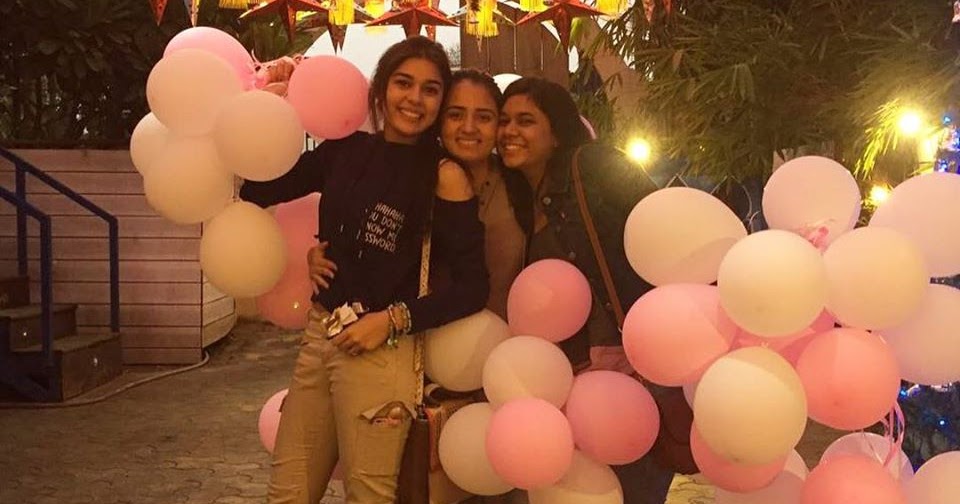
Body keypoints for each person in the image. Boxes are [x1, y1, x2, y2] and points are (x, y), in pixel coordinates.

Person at [241, 36, 489, 504]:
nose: (414, 99)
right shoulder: (344, 150)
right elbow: (257, 189)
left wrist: (392, 320)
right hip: (320, 335)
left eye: (430, 89)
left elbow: (473, 286)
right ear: (380, 88)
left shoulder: (443, 174)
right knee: (287, 493)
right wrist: (275, 99)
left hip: (381, 350)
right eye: (403, 83)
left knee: (369, 496)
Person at [497, 77, 687, 504]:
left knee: (635, 485)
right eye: (504, 120)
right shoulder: (517, 198)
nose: (509, 131)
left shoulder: (595, 165)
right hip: (566, 377)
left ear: (557, 131)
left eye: (525, 121)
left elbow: (664, 227)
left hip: (629, 365)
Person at [437, 69, 531, 319]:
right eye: (455, 115)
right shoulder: (416, 181)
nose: (469, 127)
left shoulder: (522, 183)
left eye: (484, 117)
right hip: (429, 337)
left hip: (511, 337)